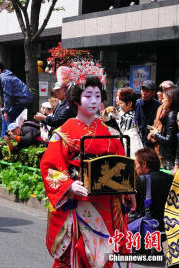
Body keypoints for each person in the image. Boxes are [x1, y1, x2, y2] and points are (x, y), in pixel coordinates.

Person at [40, 76, 131, 267]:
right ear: (75, 100)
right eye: (88, 95)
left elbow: (122, 165)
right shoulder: (63, 133)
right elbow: (49, 167)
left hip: (105, 201)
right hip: (78, 202)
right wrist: (68, 185)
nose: (94, 101)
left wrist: (126, 191)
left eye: (97, 96)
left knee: (103, 255)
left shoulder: (110, 133)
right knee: (75, 255)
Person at [132, 148, 172, 232]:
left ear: (144, 164)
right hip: (168, 227)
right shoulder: (169, 177)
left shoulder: (142, 180)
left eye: (136, 165)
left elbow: (135, 207)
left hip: (150, 227)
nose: (135, 168)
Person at [148, 85, 179, 170]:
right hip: (166, 157)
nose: (162, 100)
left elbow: (169, 140)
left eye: (164, 98)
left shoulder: (172, 115)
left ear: (171, 99)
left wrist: (155, 134)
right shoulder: (168, 112)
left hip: (170, 160)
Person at [135, 80, 161, 147]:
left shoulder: (158, 106)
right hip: (137, 139)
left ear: (153, 93)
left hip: (151, 140)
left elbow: (158, 124)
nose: (144, 93)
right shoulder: (136, 104)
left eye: (147, 91)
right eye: (143, 90)